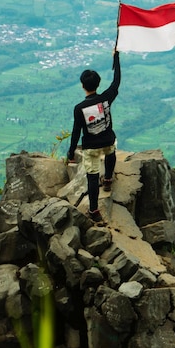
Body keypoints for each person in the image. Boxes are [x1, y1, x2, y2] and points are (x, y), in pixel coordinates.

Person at [67, 49, 121, 224]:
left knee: (91, 176)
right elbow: (116, 81)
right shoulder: (106, 98)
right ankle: (108, 179)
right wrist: (116, 59)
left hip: (91, 148)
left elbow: (76, 132)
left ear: (83, 85)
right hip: (107, 141)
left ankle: (94, 210)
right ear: (98, 84)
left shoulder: (79, 108)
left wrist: (70, 154)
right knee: (111, 150)